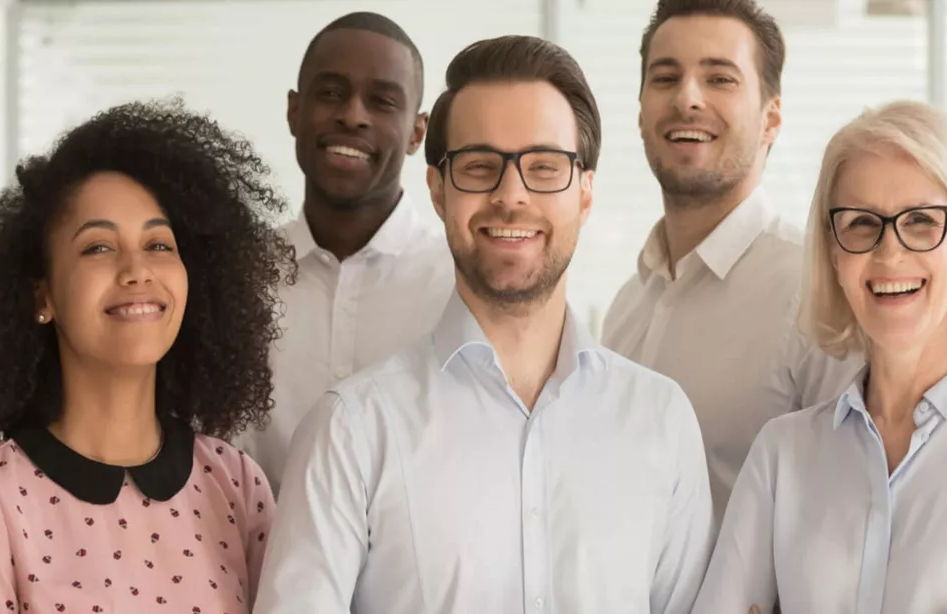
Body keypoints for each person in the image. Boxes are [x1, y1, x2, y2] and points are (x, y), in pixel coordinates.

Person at [254, 35, 713, 614]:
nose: (510, 195)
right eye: (480, 167)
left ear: (586, 192)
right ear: (439, 191)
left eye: (544, 167)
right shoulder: (350, 431)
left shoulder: (661, 422)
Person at [693, 100, 947, 614]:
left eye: (921, 221)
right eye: (860, 224)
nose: (889, 253)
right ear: (834, 254)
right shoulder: (781, 454)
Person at [0, 100, 291, 614]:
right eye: (98, 248)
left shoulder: (238, 485)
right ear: (43, 296)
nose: (137, 270)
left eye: (158, 245)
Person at [604, 0, 861, 523]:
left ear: (772, 119)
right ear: (639, 114)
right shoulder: (625, 307)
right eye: (665, 77)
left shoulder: (818, 293)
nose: (687, 99)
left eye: (719, 79)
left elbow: (857, 508)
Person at [234, 11, 453, 489]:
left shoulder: (459, 288)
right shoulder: (237, 281)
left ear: (418, 132)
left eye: (382, 101)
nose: (353, 115)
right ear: (294, 111)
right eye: (331, 93)